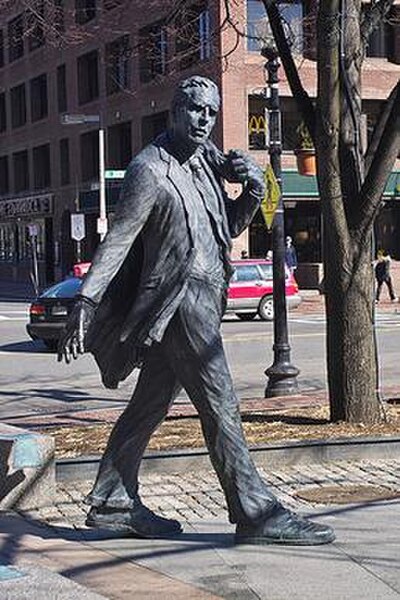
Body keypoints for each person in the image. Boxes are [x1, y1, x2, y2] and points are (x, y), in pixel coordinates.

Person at [58, 76, 334, 546]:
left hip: (205, 298)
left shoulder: (206, 165)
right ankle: (255, 511)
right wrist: (84, 299)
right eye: (195, 110)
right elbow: (119, 238)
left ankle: (112, 502)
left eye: (211, 111)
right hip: (179, 302)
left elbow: (222, 230)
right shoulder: (151, 170)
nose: (204, 119)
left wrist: (249, 193)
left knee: (149, 405)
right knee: (221, 404)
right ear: (174, 111)